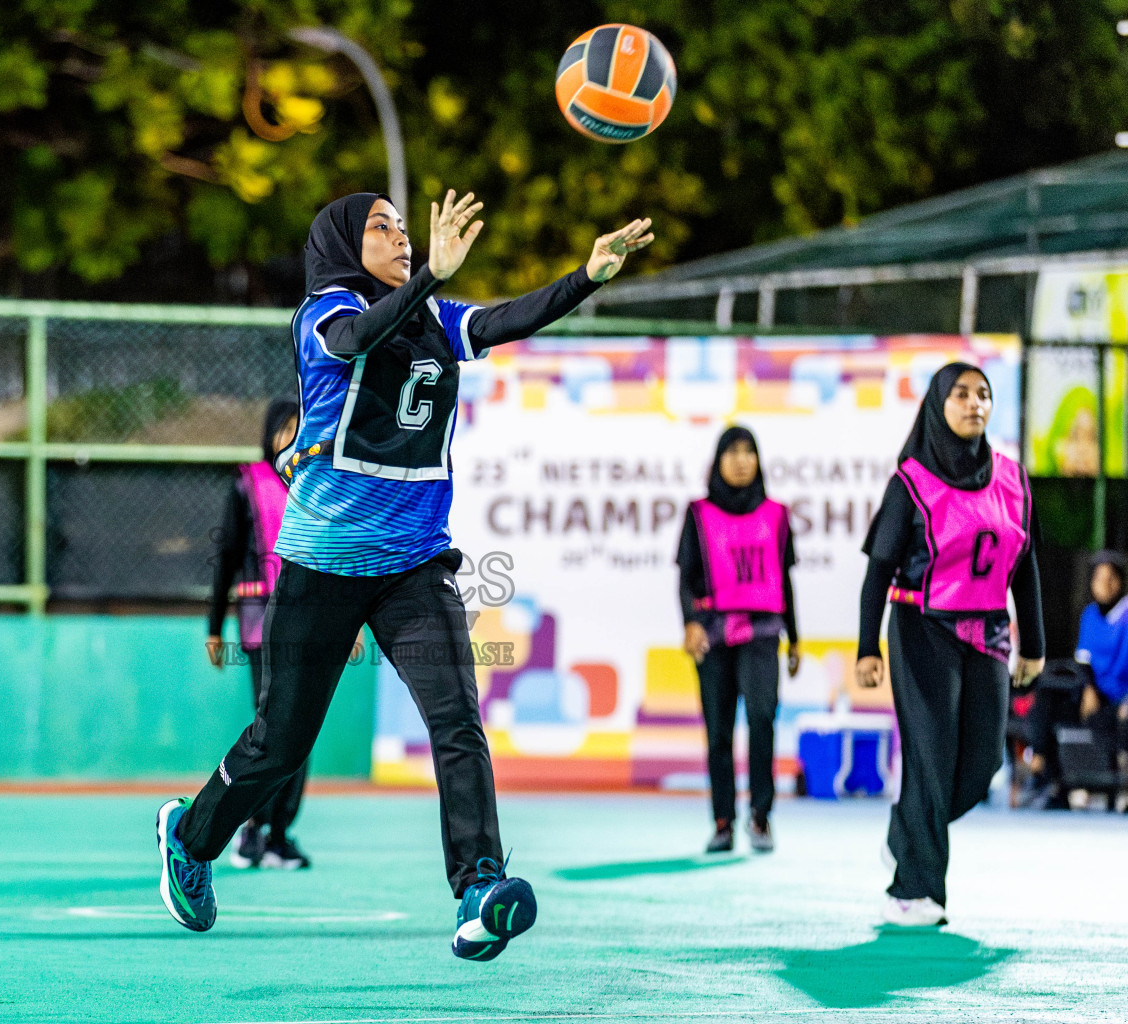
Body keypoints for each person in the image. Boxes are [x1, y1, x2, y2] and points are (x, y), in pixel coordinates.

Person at [154, 187, 653, 961]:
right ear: (346, 246)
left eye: (401, 225)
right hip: (323, 563)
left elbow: (503, 320)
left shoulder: (435, 320)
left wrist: (587, 275)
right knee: (280, 743)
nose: (401, 236)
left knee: (456, 720)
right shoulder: (320, 315)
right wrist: (425, 282)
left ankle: (480, 889)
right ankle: (190, 834)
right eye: (381, 227)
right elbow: (355, 339)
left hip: (417, 562)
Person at [856, 362, 1043, 927]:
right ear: (938, 404)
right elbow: (878, 572)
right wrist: (868, 649)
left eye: (982, 395)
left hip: (986, 633)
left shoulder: (1012, 479)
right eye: (960, 394)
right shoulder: (910, 481)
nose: (973, 404)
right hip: (920, 629)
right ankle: (914, 892)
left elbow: (1025, 566)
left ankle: (906, 828)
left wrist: (1033, 645)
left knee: (984, 761)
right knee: (930, 759)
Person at [677, 426, 800, 855]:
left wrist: (796, 639)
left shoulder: (777, 514)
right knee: (719, 732)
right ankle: (723, 822)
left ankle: (761, 817)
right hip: (713, 634)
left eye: (750, 451)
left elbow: (785, 578)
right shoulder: (698, 513)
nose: (742, 460)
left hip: (765, 633)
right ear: (718, 460)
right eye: (733, 452)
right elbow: (686, 578)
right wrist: (690, 623)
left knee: (763, 719)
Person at [205, 395, 313, 870]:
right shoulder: (246, 484)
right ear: (270, 433)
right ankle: (250, 827)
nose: (291, 439)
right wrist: (213, 625)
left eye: (299, 429)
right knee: (273, 727)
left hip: (310, 618)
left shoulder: (314, 481)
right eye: (285, 430)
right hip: (258, 621)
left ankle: (279, 833)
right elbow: (227, 555)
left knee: (301, 731)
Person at [1025, 550, 1128, 807]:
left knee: (1110, 722)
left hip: (1120, 699)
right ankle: (1049, 779)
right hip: (1095, 694)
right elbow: (1083, 662)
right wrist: (1088, 690)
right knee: (1047, 697)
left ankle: (1117, 787)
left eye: (1110, 578)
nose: (1104, 584)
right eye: (1099, 578)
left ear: (1120, 582)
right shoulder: (1090, 615)